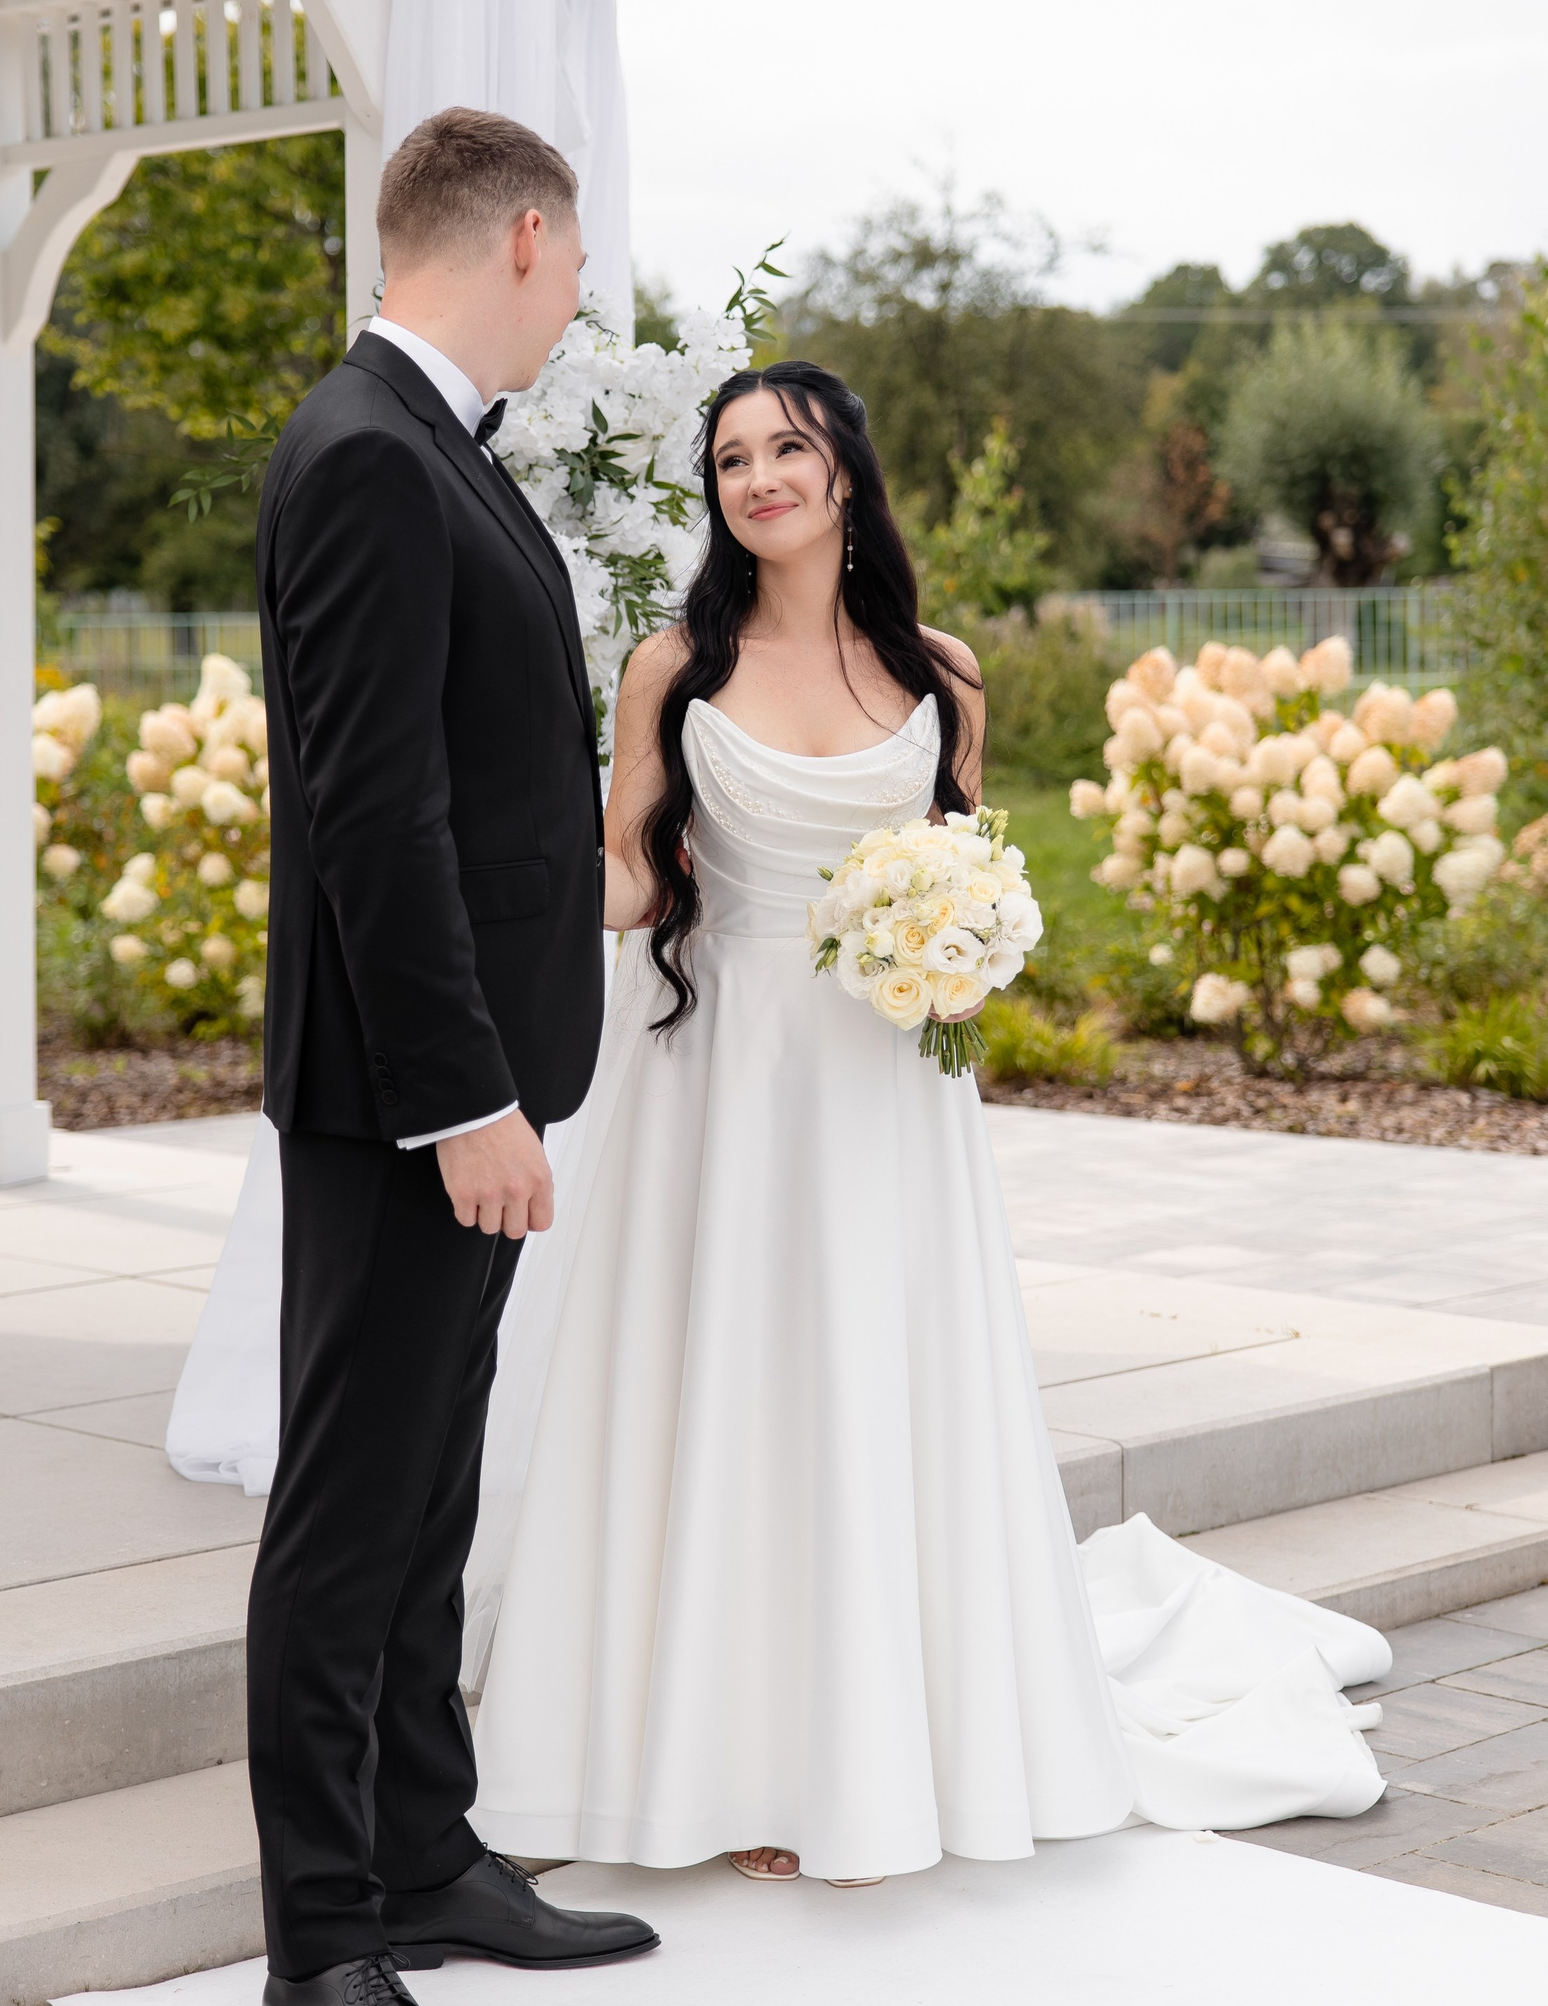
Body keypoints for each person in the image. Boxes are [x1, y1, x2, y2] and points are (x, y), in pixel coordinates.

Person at [464, 360, 1389, 1884]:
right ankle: (734, 1764)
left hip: (891, 1088)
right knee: (736, 1390)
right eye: (731, 458)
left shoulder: (941, 673)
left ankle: (884, 1748)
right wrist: (523, 856)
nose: (758, 477)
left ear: (845, 473)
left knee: (877, 1388)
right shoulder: (672, 667)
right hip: (724, 1082)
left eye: (786, 448)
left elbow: (965, 869)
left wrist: (966, 938)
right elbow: (627, 880)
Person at [246, 108, 658, 2006]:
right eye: (571, 267)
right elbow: (375, 816)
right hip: (409, 1099)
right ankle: (321, 1950)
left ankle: (423, 1851)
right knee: (349, 1517)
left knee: (428, 1495)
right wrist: (465, 1098)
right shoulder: (365, 454)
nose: (574, 302)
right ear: (518, 237)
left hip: (464, 1081)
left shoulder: (433, 450)